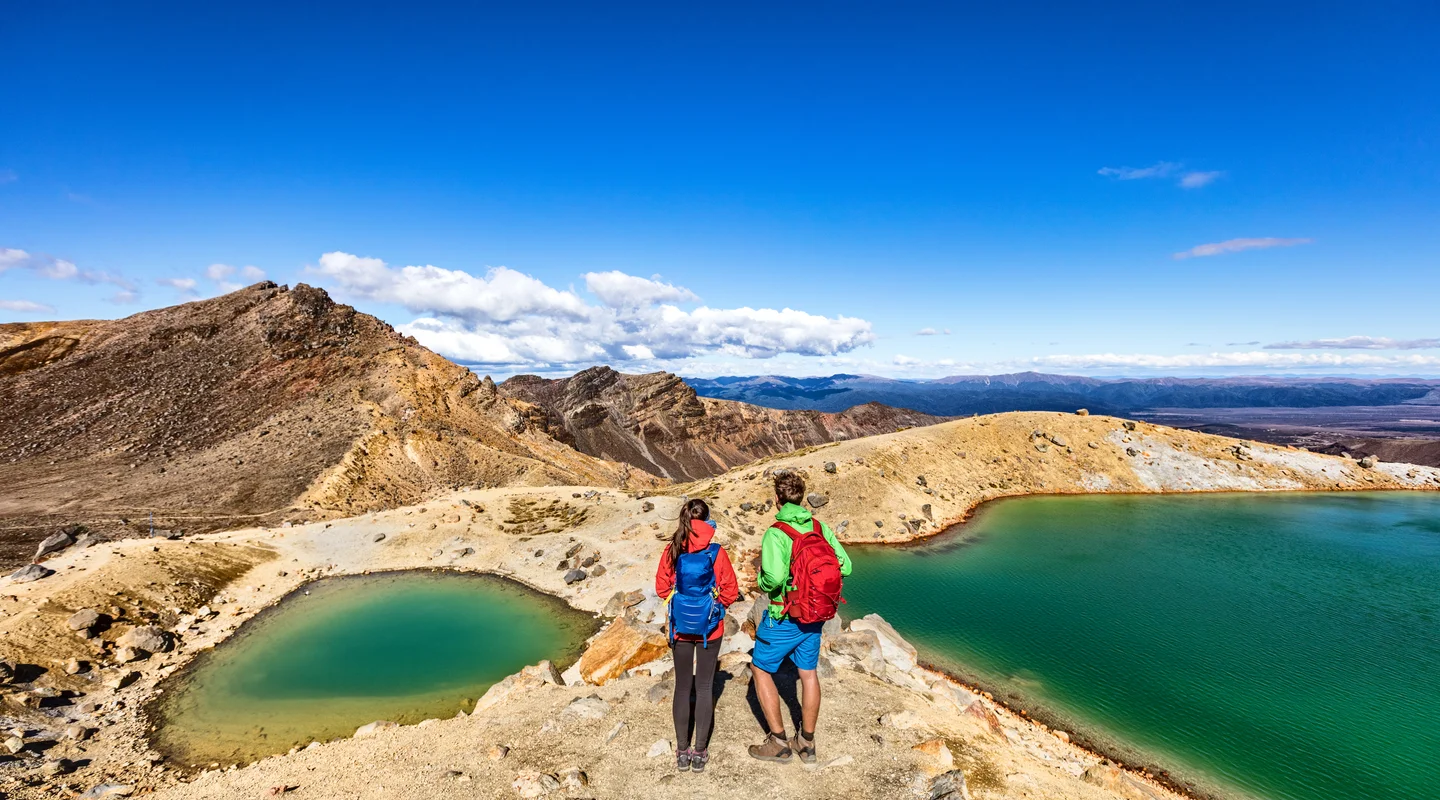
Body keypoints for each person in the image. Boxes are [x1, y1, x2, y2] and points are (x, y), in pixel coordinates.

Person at [748, 470, 852, 764]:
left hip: (785, 615)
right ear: (802, 496)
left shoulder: (776, 532)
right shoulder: (818, 527)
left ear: (778, 498)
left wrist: (765, 581)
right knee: (808, 674)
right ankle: (806, 743)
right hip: (816, 616)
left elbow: (774, 578)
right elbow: (846, 567)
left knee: (760, 668)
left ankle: (779, 742)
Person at [655, 498, 738, 773]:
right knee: (704, 687)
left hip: (680, 627)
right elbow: (730, 590)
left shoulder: (673, 549)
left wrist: (679, 600)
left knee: (682, 686)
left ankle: (681, 751)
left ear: (684, 519)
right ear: (708, 519)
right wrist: (714, 607)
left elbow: (661, 587)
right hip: (710, 629)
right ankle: (700, 752)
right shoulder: (717, 552)